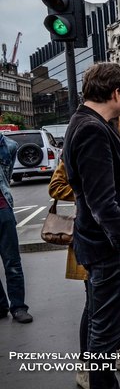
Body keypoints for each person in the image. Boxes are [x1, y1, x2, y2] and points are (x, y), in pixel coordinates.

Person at [63, 62, 120, 389]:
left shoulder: (83, 122)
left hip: (97, 245)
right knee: (105, 336)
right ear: (116, 92)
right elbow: (101, 199)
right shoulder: (92, 129)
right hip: (109, 249)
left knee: (96, 319)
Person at [49, 117, 120, 389]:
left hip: (111, 236)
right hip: (91, 235)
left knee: (110, 307)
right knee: (94, 306)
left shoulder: (113, 145)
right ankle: (86, 368)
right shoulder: (88, 140)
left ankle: (117, 354)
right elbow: (56, 186)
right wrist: (91, 191)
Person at [0, 133, 32, 324]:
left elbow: (7, 176)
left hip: (3, 210)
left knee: (12, 262)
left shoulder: (9, 146)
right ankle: (1, 305)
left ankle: (18, 307)